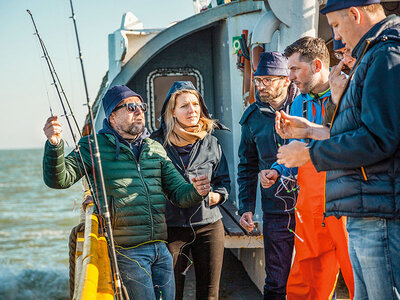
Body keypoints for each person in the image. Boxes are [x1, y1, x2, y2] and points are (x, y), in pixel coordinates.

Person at [277, 1, 400, 298]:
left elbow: (380, 139)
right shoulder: (375, 56)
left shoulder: (385, 55)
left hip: (377, 210)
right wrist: (309, 130)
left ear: (355, 14)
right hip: (363, 207)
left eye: (335, 25)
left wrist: (308, 153)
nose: (338, 38)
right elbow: (362, 131)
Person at [42, 85, 212, 300]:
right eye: (131, 107)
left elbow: (179, 193)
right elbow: (59, 179)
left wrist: (196, 190)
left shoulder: (154, 148)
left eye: (141, 106)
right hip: (127, 251)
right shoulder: (92, 146)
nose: (139, 111)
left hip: (161, 249)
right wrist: (54, 144)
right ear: (113, 116)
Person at [261, 37, 354, 300]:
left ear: (315, 65)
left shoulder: (349, 92)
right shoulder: (299, 102)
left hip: (346, 198)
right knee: (306, 278)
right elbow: (296, 150)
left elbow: (358, 140)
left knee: (358, 273)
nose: (289, 77)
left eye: (294, 69)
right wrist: (278, 169)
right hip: (310, 206)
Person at [150, 81, 230, 300]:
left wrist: (218, 195)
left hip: (209, 226)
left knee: (209, 294)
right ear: (172, 111)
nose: (192, 110)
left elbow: (224, 182)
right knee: (169, 294)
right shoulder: (155, 144)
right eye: (184, 105)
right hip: (171, 229)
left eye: (195, 104)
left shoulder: (211, 142)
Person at [237, 51, 299, 300]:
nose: (261, 86)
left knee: (316, 275)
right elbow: (247, 166)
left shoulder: (304, 106)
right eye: (258, 80)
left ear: (286, 80)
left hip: (311, 206)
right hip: (275, 209)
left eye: (268, 80)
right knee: (275, 280)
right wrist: (247, 207)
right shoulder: (252, 118)